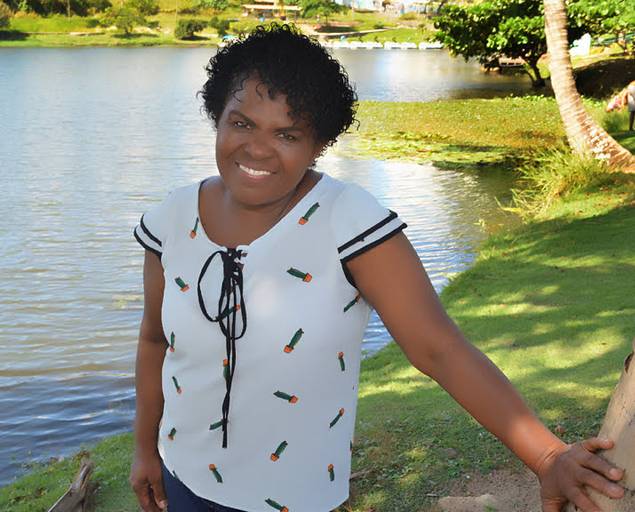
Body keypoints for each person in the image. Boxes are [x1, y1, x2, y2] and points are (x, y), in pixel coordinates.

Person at [130, 24, 625, 512]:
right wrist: (145, 449)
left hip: (291, 499)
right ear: (217, 118)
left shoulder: (348, 221)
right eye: (241, 124)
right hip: (182, 478)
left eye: (287, 134)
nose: (258, 149)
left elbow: (439, 349)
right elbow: (155, 340)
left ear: (319, 144)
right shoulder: (173, 218)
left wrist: (547, 457)